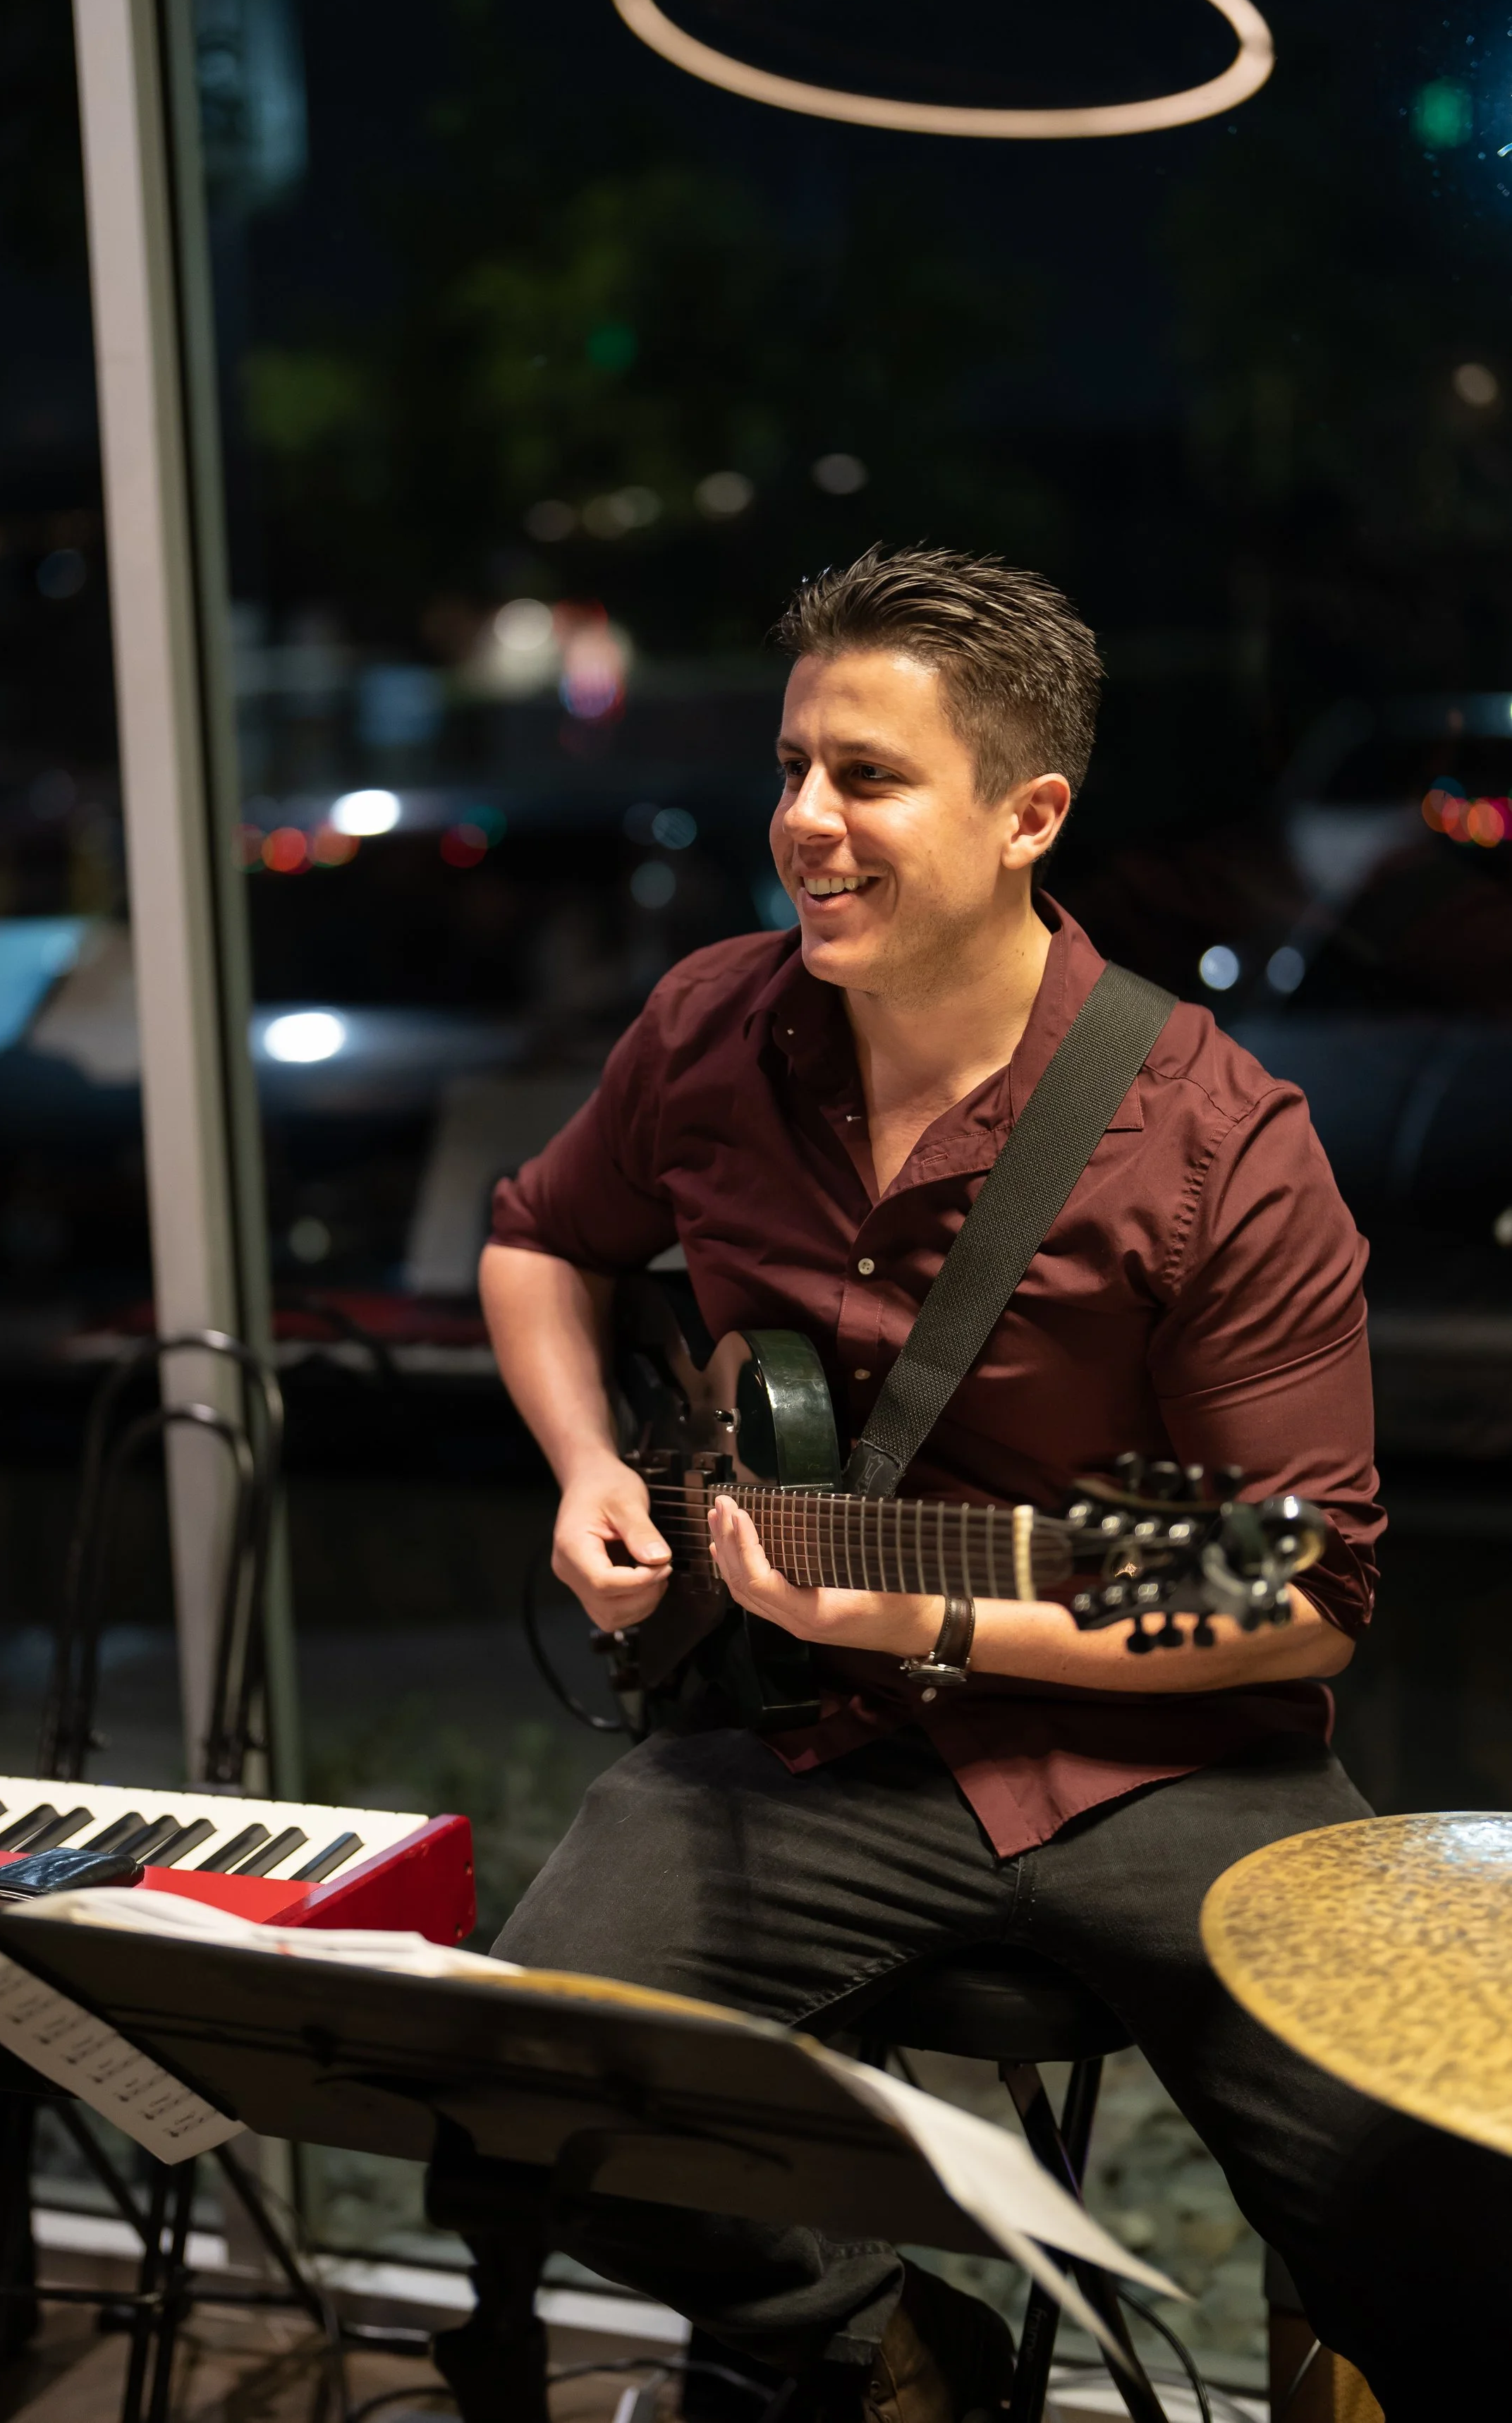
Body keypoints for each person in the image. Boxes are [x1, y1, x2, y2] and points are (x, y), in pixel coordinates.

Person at [480, 545, 1503, 2420]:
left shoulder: (1214, 1144)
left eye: (866, 776)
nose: (803, 819)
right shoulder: (707, 1028)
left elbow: (1293, 1586)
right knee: (530, 2088)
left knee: (1437, 2226)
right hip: (805, 1739)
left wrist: (933, 1617)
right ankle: (889, 2358)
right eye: (793, 767)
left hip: (1169, 1764)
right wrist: (585, 1471)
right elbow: (540, 1237)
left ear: (1028, 816)